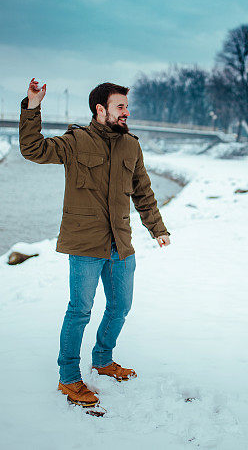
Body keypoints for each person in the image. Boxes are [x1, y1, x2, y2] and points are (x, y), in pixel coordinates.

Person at [19, 78, 171, 408]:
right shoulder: (76, 141)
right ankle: (69, 377)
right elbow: (34, 150)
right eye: (120, 106)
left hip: (121, 244)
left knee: (120, 306)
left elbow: (143, 191)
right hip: (86, 246)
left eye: (127, 106)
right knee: (80, 311)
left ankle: (102, 359)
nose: (126, 112)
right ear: (101, 109)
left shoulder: (131, 145)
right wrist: (33, 105)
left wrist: (156, 227)